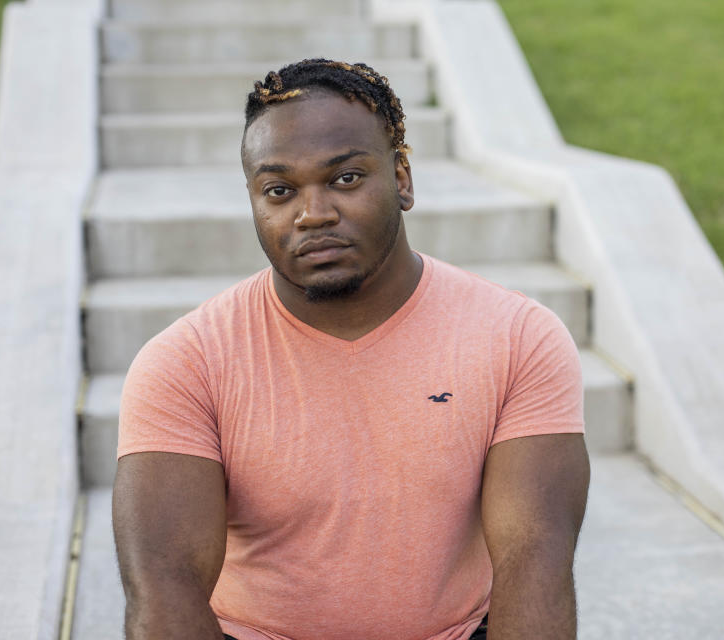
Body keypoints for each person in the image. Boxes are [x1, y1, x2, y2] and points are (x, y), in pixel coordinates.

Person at [113, 58, 590, 640]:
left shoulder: (518, 337)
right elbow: (165, 589)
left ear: (403, 179)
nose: (313, 214)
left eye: (345, 179)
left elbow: (535, 558)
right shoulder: (185, 362)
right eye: (280, 190)